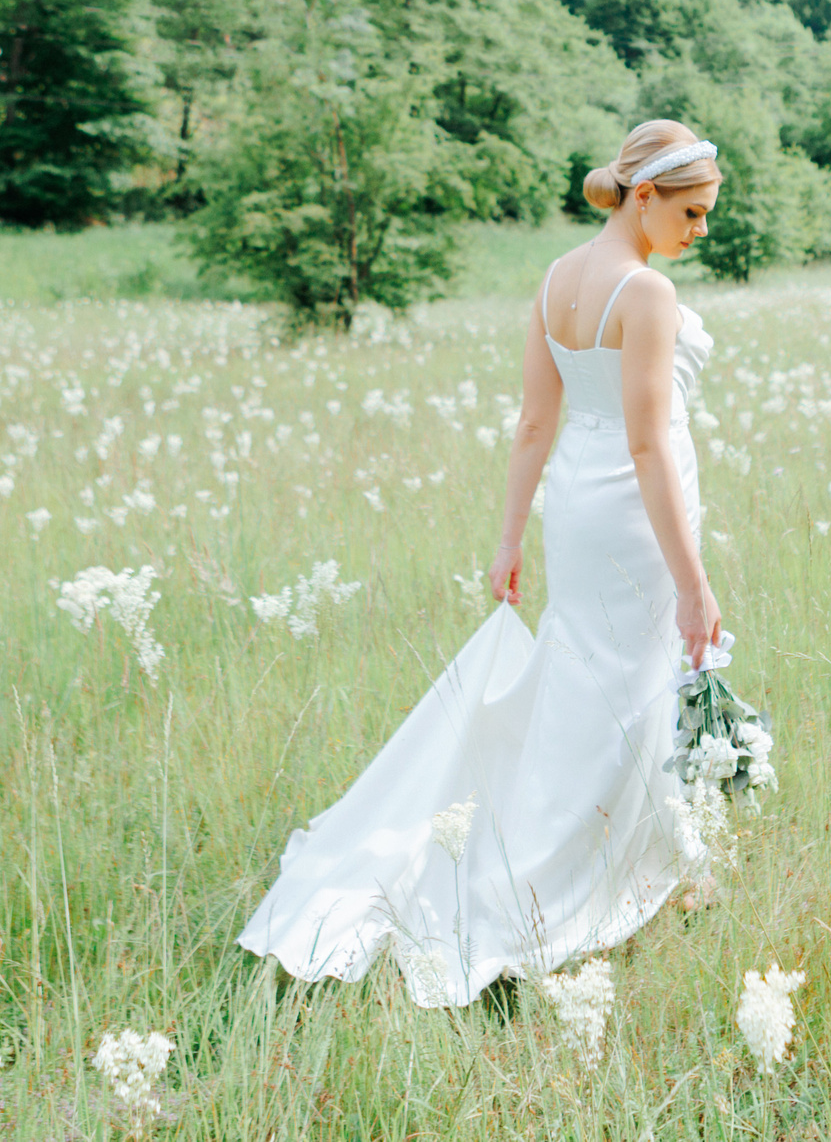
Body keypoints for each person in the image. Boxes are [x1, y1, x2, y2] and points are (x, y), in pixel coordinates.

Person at [236, 120, 726, 1007]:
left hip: (577, 508)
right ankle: (572, 869)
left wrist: (509, 539)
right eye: (692, 212)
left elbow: (535, 423)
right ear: (644, 196)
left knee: (594, 678)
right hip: (631, 513)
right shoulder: (645, 293)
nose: (701, 231)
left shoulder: (556, 279)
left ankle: (649, 845)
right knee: (633, 682)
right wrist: (694, 580)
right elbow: (651, 445)